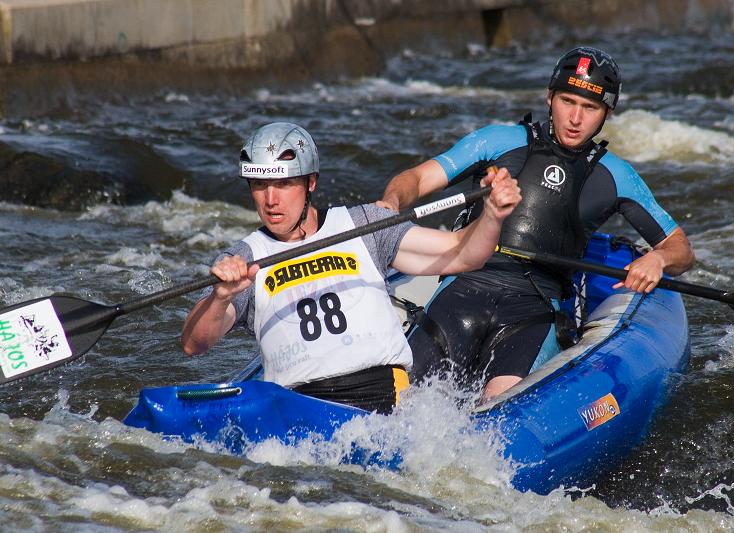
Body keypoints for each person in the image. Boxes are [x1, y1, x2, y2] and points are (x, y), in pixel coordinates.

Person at [378, 46, 695, 402]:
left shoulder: (616, 176)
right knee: (405, 403)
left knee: (499, 409)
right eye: (567, 101)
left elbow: (679, 247)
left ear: (607, 112)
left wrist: (658, 259)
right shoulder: (498, 141)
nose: (575, 118)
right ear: (549, 97)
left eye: (589, 108)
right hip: (463, 286)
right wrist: (391, 204)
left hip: (533, 309)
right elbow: (416, 180)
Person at [181, 122, 521, 414]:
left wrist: (493, 215)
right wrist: (221, 297)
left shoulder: (366, 224)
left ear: (310, 183)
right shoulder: (244, 258)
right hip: (299, 406)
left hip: (383, 396)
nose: (271, 200)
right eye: (260, 185)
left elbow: (463, 254)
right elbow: (195, 344)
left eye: (284, 184)